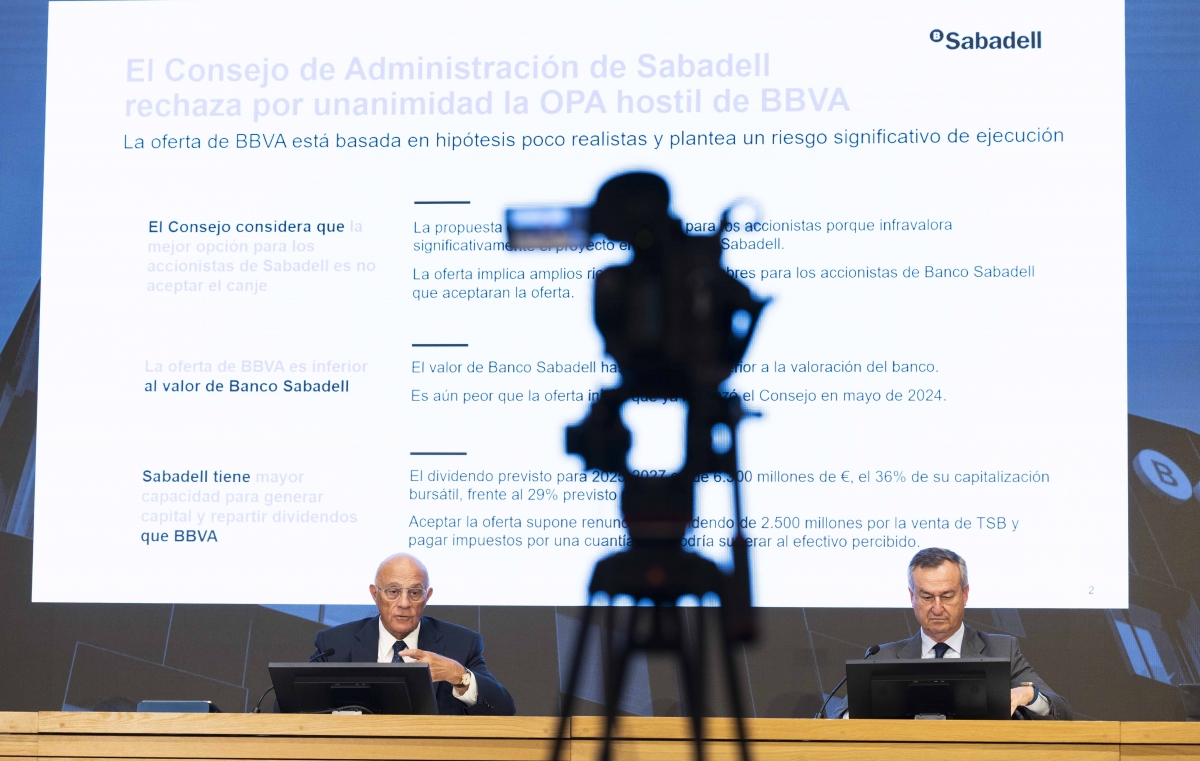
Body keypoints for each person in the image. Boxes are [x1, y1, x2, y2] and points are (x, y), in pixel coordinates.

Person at [873, 547, 1071, 720]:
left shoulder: (1001, 650)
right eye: (926, 597)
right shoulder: (883, 657)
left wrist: (1029, 695)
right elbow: (844, 715)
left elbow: (1060, 711)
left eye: (947, 596)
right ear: (912, 597)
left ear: (965, 594)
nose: (937, 608)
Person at [311, 552, 515, 715]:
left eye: (415, 593)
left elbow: (504, 710)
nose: (404, 603)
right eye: (393, 592)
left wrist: (459, 675)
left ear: (428, 596)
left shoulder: (461, 644)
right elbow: (288, 710)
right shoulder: (335, 645)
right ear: (375, 594)